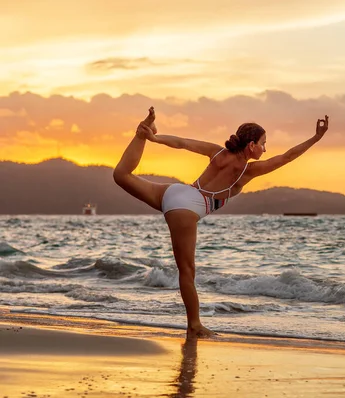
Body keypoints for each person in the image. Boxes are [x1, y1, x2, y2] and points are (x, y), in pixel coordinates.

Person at [113, 107, 329, 339]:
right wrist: (316, 138)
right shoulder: (248, 171)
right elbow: (288, 157)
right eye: (263, 144)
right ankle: (194, 325)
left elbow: (182, 142)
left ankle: (142, 134)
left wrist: (155, 138)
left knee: (121, 175)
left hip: (174, 192)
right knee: (187, 272)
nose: (266, 149)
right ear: (251, 146)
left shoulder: (216, 152)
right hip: (185, 209)